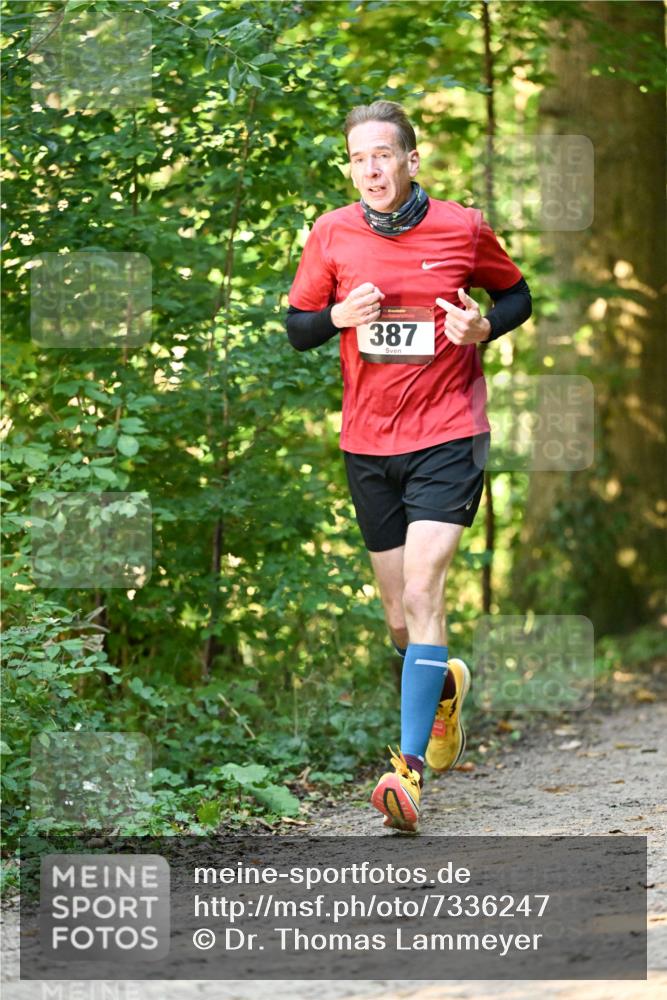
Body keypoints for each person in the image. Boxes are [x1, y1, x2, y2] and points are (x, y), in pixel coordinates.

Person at [285, 100, 531, 833]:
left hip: (449, 434)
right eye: (358, 158)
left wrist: (483, 326)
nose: (370, 170)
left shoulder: (462, 227)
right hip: (368, 444)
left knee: (425, 589)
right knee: (400, 619)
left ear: (410, 160)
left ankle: (408, 772)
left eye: (382, 155)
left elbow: (516, 294)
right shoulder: (331, 233)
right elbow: (297, 327)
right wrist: (336, 318)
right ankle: (442, 689)